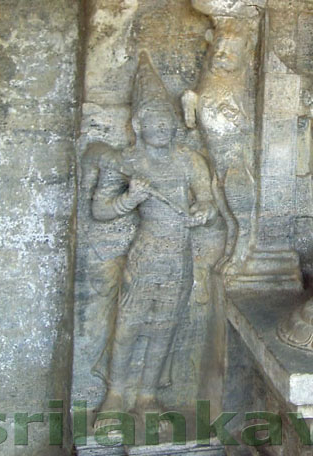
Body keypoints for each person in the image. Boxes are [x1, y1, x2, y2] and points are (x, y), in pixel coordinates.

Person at [89, 58, 215, 420]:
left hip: (178, 255)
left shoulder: (190, 161)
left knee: (165, 326)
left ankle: (147, 396)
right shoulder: (126, 161)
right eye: (152, 119)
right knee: (129, 324)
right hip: (145, 252)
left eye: (166, 118)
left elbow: (207, 199)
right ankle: (115, 394)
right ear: (137, 124)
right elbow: (101, 209)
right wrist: (129, 199)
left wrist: (203, 211)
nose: (161, 125)